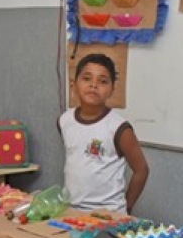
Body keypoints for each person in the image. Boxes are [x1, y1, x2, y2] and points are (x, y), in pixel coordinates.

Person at [58, 53, 149, 214]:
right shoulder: (64, 121)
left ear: (112, 90)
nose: (94, 85)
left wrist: (125, 208)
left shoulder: (119, 128)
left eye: (103, 81)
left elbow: (141, 170)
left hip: (108, 214)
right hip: (72, 212)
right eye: (87, 78)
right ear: (74, 84)